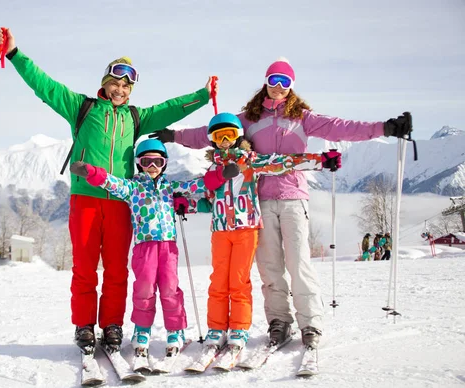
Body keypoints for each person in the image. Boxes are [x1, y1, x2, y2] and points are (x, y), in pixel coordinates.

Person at [150, 57, 412, 349]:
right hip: (258, 200)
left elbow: (342, 128)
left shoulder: (302, 116)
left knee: (298, 262)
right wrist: (174, 136)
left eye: (284, 82)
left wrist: (384, 128)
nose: (277, 87)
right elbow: (212, 134)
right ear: (265, 82)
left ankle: (310, 322)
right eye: (273, 80)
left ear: (292, 86)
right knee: (269, 266)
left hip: (292, 198)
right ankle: (279, 321)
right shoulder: (249, 118)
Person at [0, 28, 216, 352]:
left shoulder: (136, 117)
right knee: (85, 267)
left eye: (126, 86)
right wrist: (15, 54)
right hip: (85, 198)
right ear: (105, 83)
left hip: (121, 202)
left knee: (116, 268)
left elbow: (171, 108)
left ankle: (112, 324)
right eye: (115, 83)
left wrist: (203, 94)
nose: (120, 89)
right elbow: (45, 86)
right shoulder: (81, 108)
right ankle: (84, 326)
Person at [193, 113, 336, 352]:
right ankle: (216, 327)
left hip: (245, 228)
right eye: (220, 136)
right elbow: (208, 196)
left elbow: (282, 162)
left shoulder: (249, 160)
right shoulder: (213, 166)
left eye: (230, 134)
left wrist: (319, 160)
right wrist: (190, 203)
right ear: (213, 140)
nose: (225, 140)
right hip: (220, 230)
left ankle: (239, 327)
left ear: (239, 136)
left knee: (239, 281)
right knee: (218, 281)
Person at [70, 139, 208, 355]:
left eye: (158, 162)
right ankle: (142, 329)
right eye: (147, 161)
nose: (152, 167)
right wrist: (89, 171)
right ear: (139, 164)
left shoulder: (170, 188)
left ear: (165, 164)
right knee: (144, 289)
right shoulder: (133, 188)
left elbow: (195, 187)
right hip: (144, 248)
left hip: (168, 248)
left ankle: (176, 329)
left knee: (170, 289)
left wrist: (215, 183)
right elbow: (111, 182)